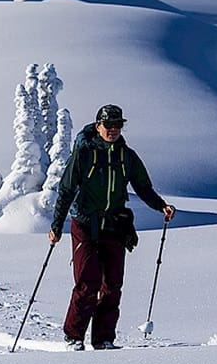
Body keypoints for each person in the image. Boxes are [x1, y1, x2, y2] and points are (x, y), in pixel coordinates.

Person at [49, 104, 176, 350]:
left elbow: (143, 187)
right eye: (109, 125)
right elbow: (66, 190)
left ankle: (104, 339)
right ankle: (74, 337)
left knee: (113, 285)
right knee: (88, 282)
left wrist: (161, 206)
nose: (114, 130)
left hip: (115, 225)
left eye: (118, 125)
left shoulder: (126, 156)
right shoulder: (84, 154)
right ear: (98, 126)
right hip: (85, 223)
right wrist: (56, 226)